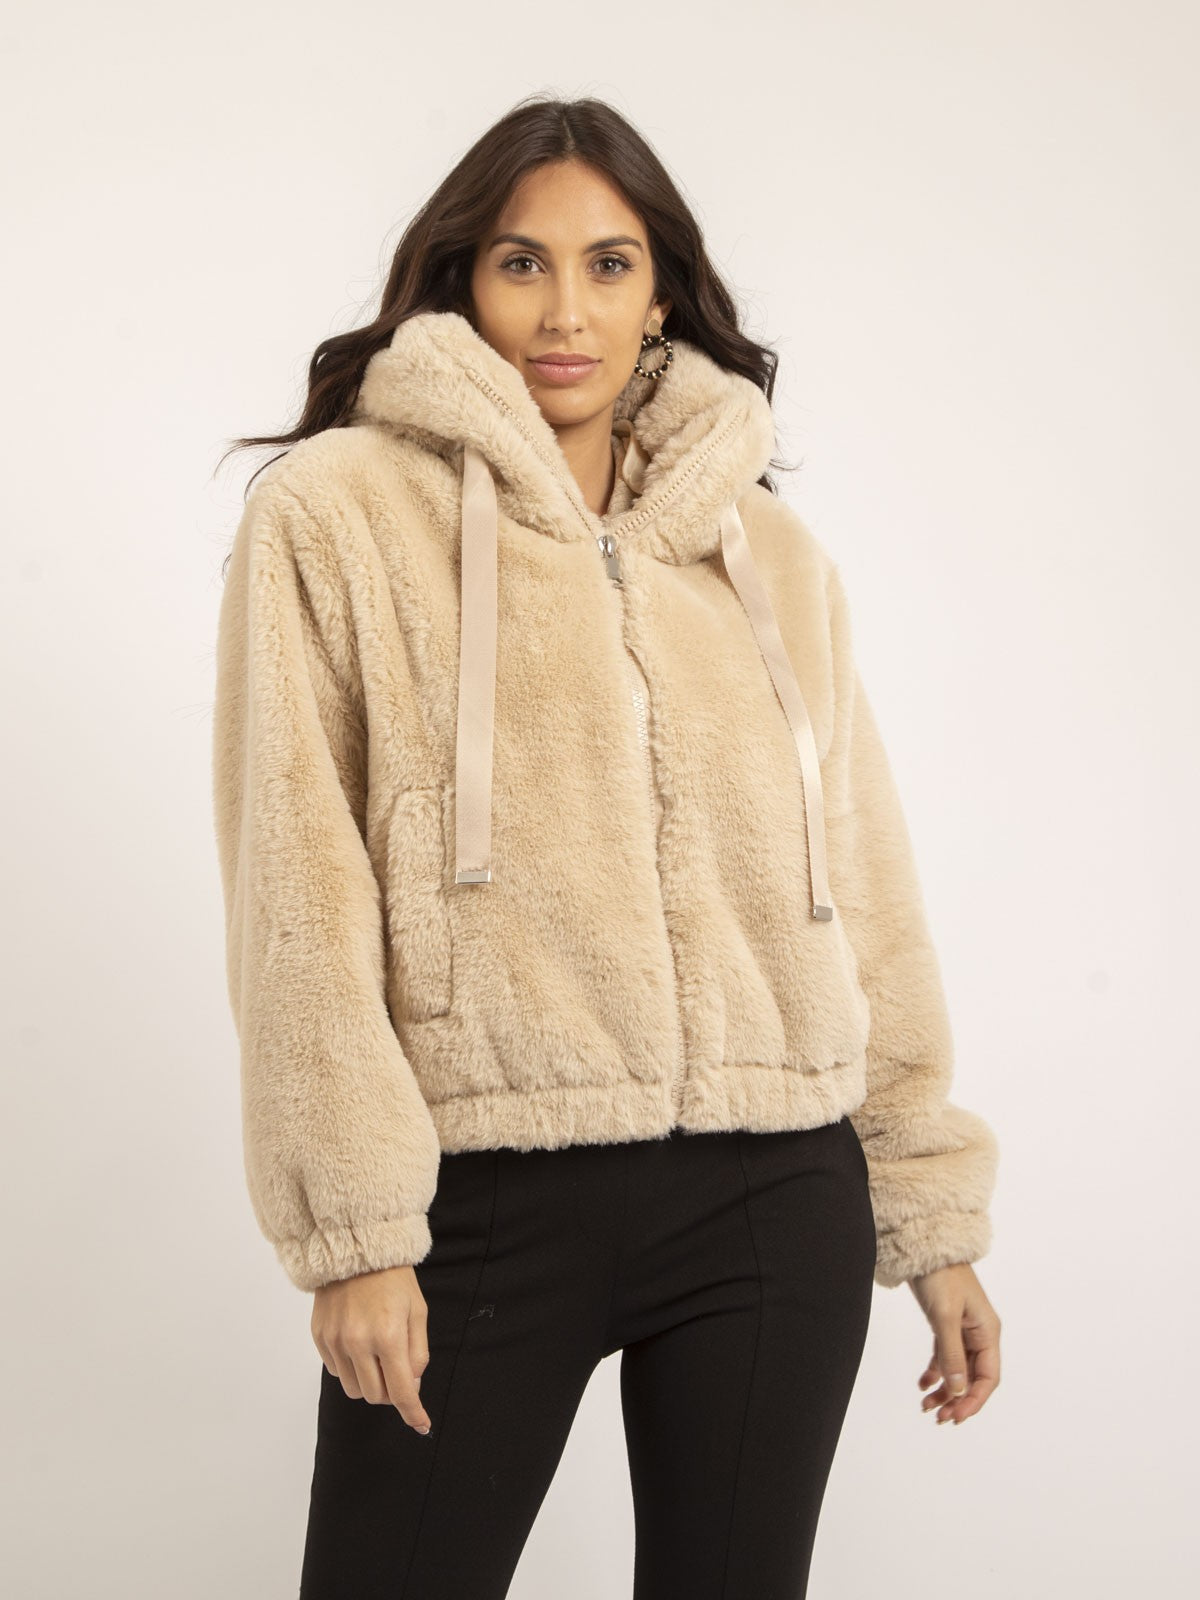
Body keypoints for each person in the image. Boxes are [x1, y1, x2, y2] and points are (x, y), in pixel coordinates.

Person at [211, 94, 1002, 1600]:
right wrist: (358, 1231)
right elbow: (297, 888)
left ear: (661, 295)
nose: (565, 311)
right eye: (522, 263)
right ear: (460, 278)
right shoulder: (335, 517)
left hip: (776, 1189)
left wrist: (929, 1214)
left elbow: (863, 882)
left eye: (609, 264)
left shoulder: (768, 552)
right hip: (487, 1193)